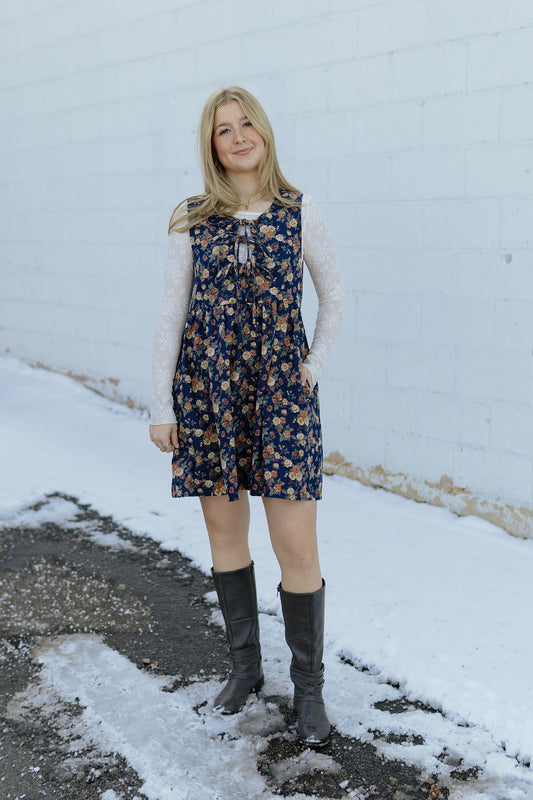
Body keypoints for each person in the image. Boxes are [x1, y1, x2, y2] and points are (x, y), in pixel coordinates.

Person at [149, 86, 345, 748]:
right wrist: (160, 403)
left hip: (281, 396)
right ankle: (244, 671)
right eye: (221, 128)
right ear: (211, 145)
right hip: (206, 396)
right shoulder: (191, 217)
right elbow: (171, 312)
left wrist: (310, 367)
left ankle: (310, 692)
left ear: (262, 132)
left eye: (245, 124)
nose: (236, 136)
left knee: (296, 546)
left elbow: (335, 294)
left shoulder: (298, 211)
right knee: (225, 536)